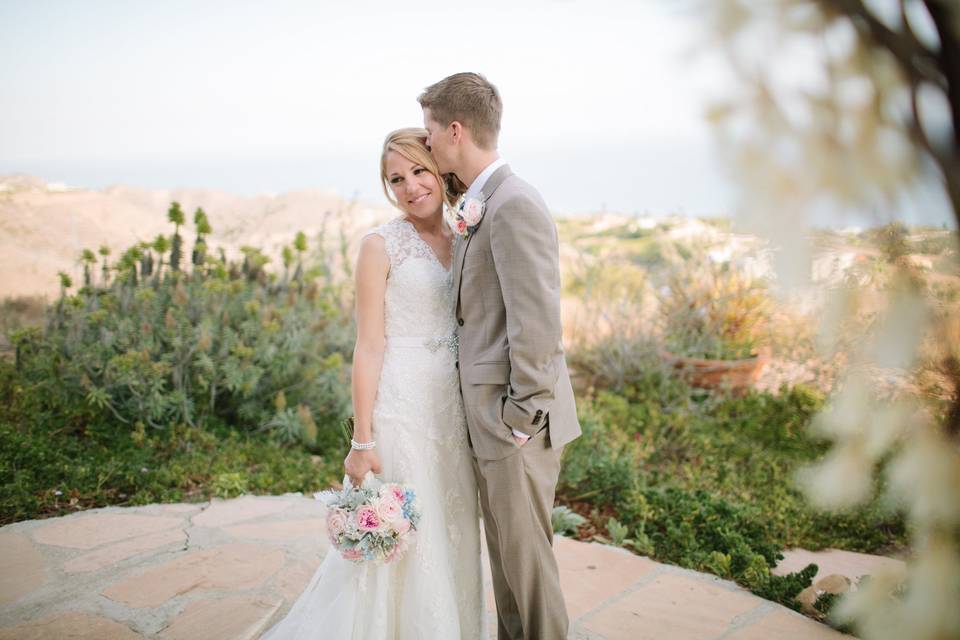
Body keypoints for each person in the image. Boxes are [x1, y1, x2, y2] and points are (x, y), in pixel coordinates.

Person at [259, 128, 484, 640]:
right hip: (403, 407)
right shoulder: (380, 246)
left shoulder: (467, 234)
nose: (410, 187)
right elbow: (369, 346)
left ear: (439, 168)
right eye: (396, 179)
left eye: (419, 171)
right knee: (408, 532)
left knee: (451, 527)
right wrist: (362, 440)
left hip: (454, 408)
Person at [419, 72, 582, 640]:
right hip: (495, 423)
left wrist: (520, 418)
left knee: (530, 575)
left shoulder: (513, 204)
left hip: (517, 426)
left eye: (431, 132)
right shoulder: (482, 201)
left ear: (456, 131)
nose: (429, 144)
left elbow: (537, 326)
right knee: (510, 574)